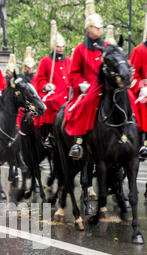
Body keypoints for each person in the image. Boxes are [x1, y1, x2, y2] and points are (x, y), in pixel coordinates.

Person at [64, 0, 105, 159]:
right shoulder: (81, 49)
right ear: (88, 29)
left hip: (105, 86)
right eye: (95, 27)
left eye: (100, 27)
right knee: (86, 104)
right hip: (87, 89)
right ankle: (78, 142)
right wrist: (81, 84)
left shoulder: (107, 47)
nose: (99, 29)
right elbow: (73, 73)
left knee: (127, 99)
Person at [35, 20, 71, 149]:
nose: (61, 48)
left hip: (67, 91)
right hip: (53, 92)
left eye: (62, 46)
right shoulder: (46, 61)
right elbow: (39, 79)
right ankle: (48, 135)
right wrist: (46, 85)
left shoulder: (68, 60)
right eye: (58, 46)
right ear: (53, 47)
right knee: (50, 103)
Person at [129, 13, 147, 159]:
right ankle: (143, 143)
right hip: (143, 92)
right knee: (143, 104)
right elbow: (133, 75)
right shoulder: (139, 50)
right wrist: (142, 87)